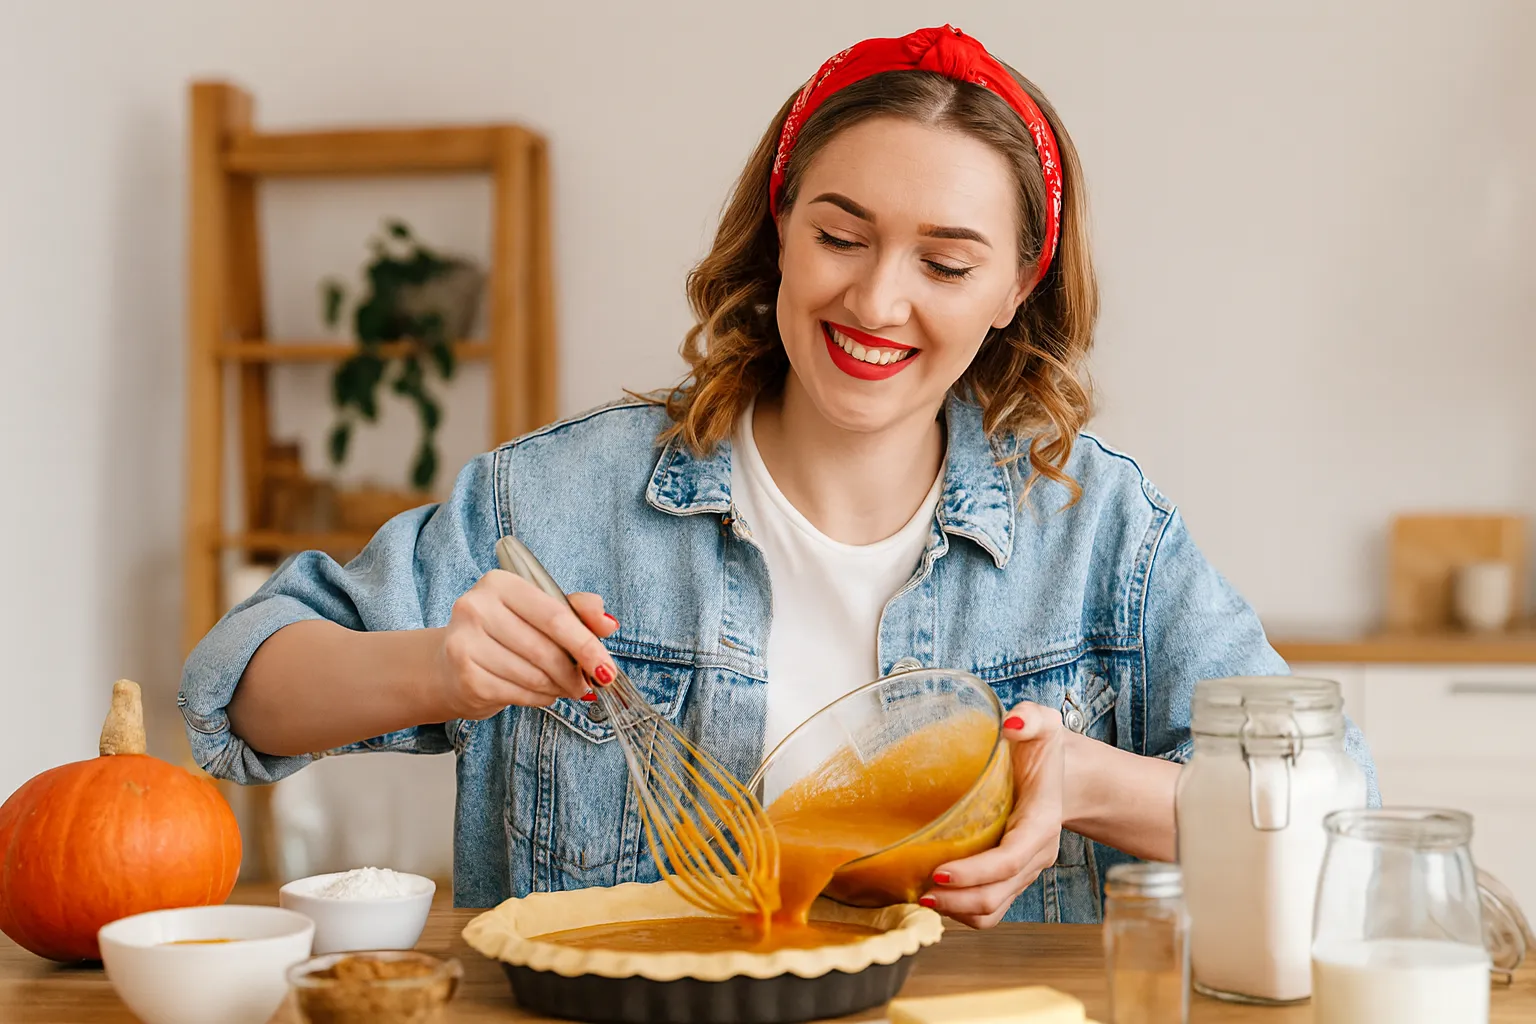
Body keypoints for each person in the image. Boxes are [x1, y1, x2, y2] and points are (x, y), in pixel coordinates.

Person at [181, 24, 1377, 927]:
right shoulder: (555, 503)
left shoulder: (1104, 536)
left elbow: (1332, 814)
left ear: (1019, 288)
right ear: (781, 226)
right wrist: (437, 664)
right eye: (840, 236)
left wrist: (1080, 778)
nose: (874, 301)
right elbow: (233, 688)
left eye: (945, 263)